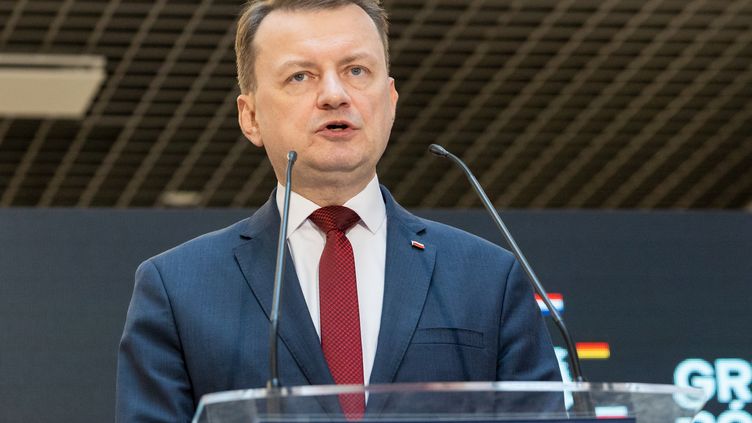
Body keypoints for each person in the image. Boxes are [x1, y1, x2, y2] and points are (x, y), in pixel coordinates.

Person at [116, 1, 561, 421]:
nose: (334, 94)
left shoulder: (489, 278)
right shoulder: (177, 289)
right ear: (249, 116)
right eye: (300, 77)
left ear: (390, 100)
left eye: (356, 70)